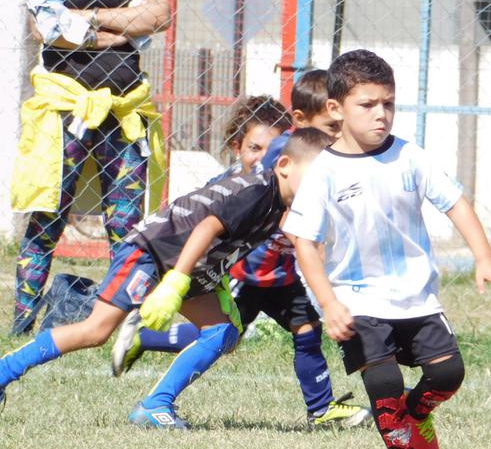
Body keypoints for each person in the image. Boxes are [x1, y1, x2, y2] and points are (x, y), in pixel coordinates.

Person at [284, 50, 491, 449]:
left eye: (388, 104)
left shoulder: (412, 157)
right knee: (384, 378)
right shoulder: (324, 173)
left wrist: (484, 257)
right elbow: (304, 244)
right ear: (335, 109)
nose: (381, 114)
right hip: (358, 298)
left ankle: (417, 415)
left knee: (448, 373)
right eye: (368, 104)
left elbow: (455, 203)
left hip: (416, 295)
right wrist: (330, 303)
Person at [0, 128, 331, 428]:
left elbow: (224, 246)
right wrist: (175, 281)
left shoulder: (279, 206)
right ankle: (4, 372)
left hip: (187, 265)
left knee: (222, 333)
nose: (323, 189)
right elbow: (206, 227)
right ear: (285, 164)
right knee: (96, 330)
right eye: (317, 178)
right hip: (153, 252)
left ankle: (155, 406)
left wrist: (218, 289)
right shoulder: (258, 191)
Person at [110, 84, 369, 427]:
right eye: (330, 126)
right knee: (223, 337)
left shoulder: (323, 166)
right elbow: (244, 212)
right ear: (301, 121)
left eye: (339, 128)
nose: (336, 135)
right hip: (245, 274)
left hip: (281, 276)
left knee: (306, 329)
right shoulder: (272, 167)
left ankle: (321, 410)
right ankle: (150, 346)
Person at [11, 0, 170, 335]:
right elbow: (44, 29)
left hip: (124, 111)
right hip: (66, 110)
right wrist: (122, 30)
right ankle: (22, 321)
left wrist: (87, 17)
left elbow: (159, 15)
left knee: (126, 224)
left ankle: (123, 321)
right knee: (49, 216)